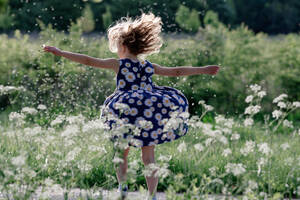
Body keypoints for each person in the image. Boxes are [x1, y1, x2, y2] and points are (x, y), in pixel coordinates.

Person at [43, 12, 220, 200]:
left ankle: (123, 188)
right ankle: (152, 195)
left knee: (121, 152)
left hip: (126, 110)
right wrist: (204, 70)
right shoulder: (148, 66)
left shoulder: (119, 64)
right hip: (149, 110)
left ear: (123, 46)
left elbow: (87, 60)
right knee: (149, 158)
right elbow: (176, 72)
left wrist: (60, 53)